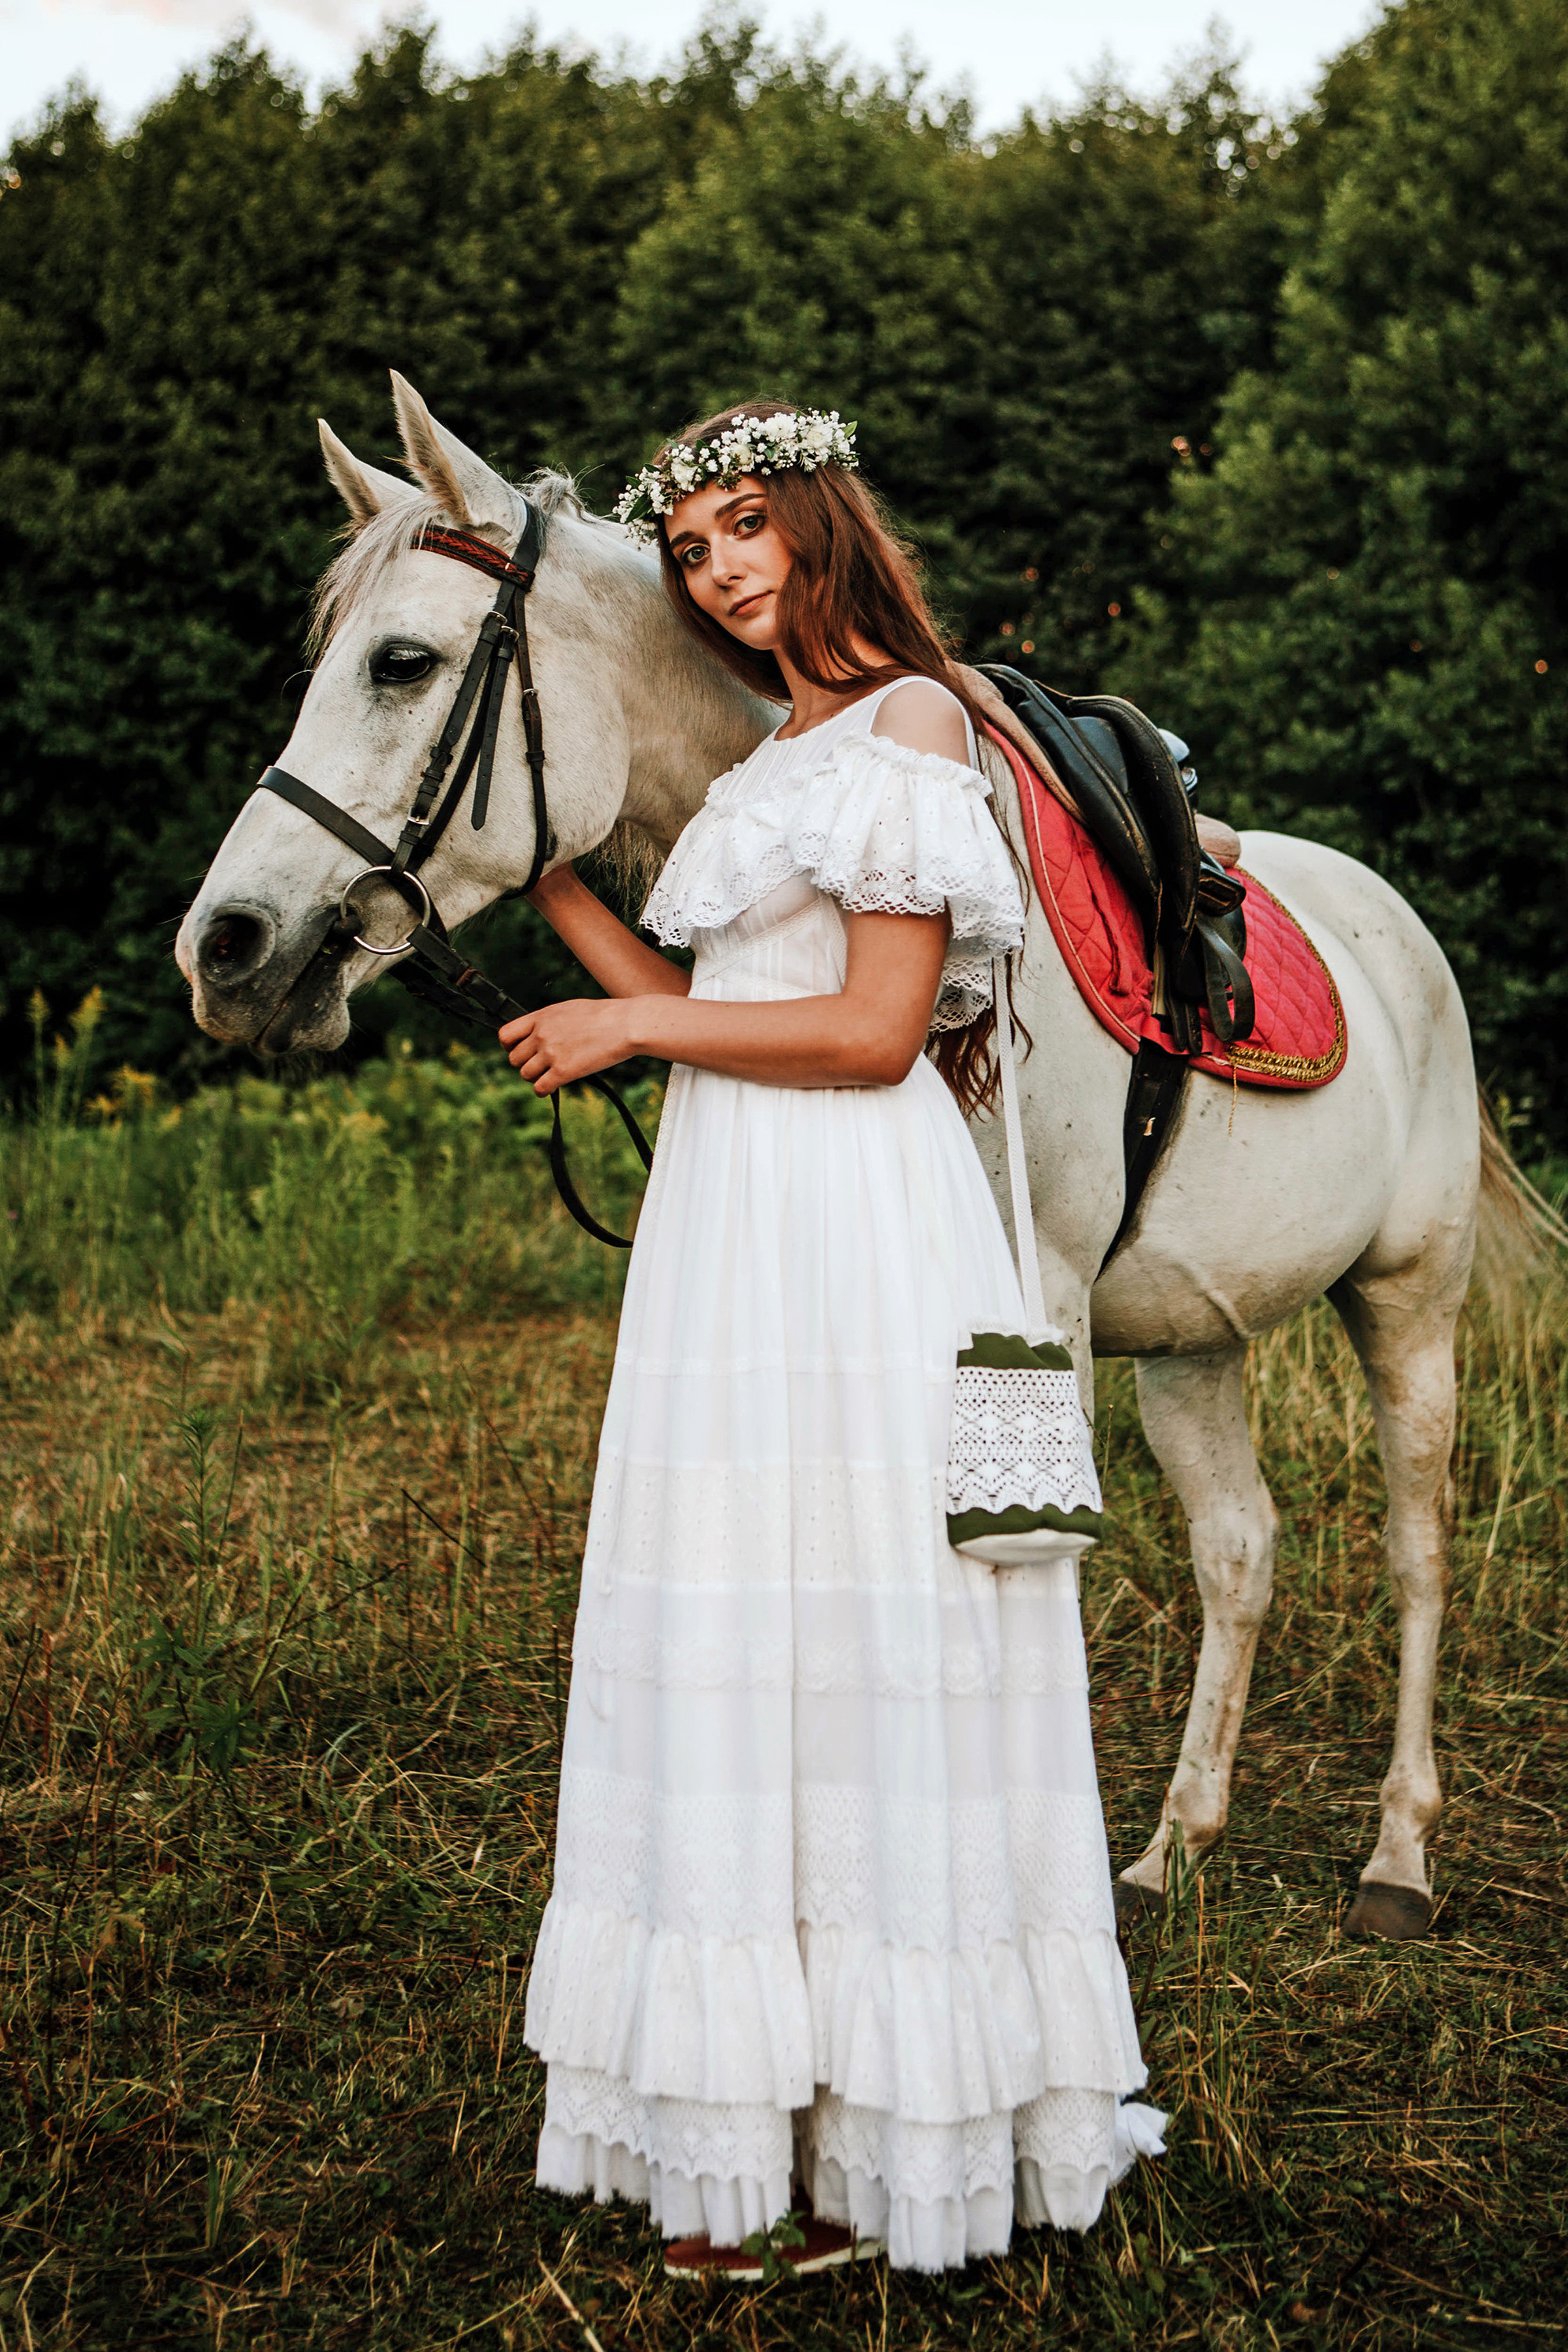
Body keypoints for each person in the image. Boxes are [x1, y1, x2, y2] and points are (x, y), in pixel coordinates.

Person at [509, 402, 1163, 2277]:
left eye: (743, 528)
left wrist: (631, 1038)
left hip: (859, 1220)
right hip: (736, 1225)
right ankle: (744, 2118)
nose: (719, 568)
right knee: (737, 1620)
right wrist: (558, 899)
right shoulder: (776, 750)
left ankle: (899, 2128)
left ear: (817, 525)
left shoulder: (911, 721)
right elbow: (718, 996)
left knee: (868, 1625)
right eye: (692, 545)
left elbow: (875, 1033)